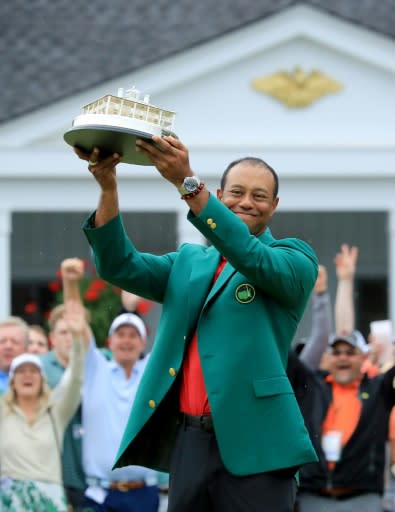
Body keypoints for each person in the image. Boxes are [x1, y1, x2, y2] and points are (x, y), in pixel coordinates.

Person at [74, 135, 319, 512]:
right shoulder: (189, 262)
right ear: (220, 196)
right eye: (237, 192)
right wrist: (108, 187)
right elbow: (119, 265)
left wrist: (187, 183)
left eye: (259, 195)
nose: (246, 202)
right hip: (190, 441)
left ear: (275, 206)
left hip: (259, 444)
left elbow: (247, 253)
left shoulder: (293, 258)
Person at [61, 257, 160, 512]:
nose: (126, 341)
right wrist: (70, 283)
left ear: (143, 342)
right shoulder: (95, 368)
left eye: (133, 335)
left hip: (144, 493)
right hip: (100, 494)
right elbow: (76, 323)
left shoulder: (152, 371)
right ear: (110, 341)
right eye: (121, 335)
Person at [0, 300, 87, 511]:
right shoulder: (2, 410)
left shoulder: (55, 411)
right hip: (10, 500)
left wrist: (77, 338)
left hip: (50, 499)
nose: (27, 376)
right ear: (12, 380)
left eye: (33, 371)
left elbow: (75, 376)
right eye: (21, 371)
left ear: (42, 378)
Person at [41, 265, 89, 512]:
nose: (69, 337)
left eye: (73, 332)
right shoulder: (37, 370)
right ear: (52, 338)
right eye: (63, 332)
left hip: (90, 476)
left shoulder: (97, 365)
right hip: (53, 470)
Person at [0, 316, 28, 395]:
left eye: (15, 341)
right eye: (2, 341)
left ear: (25, 349)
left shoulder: (36, 380)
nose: (8, 346)